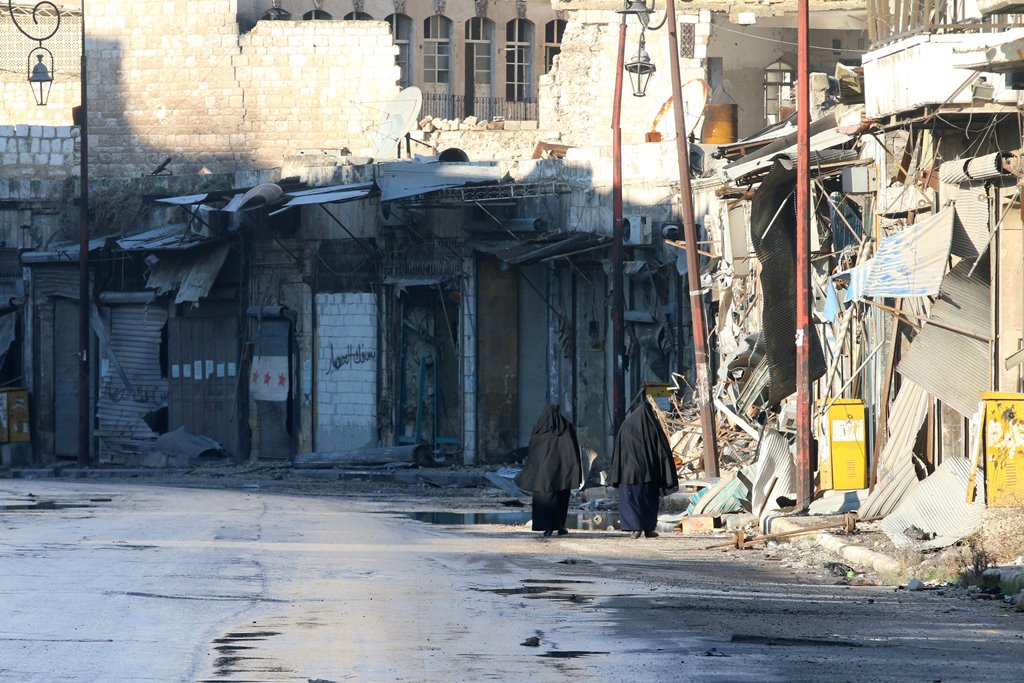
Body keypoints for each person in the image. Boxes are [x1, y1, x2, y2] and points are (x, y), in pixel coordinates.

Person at [609, 401, 679, 539]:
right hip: (649, 474)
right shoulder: (653, 427)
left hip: (628, 473)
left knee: (631, 501)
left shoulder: (626, 426)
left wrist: (616, 471)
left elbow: (618, 451)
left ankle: (636, 529)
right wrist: (664, 471)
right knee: (648, 502)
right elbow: (662, 450)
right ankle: (648, 529)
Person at [515, 405, 584, 537]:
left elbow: (533, 452)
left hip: (543, 475)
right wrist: (571, 470)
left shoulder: (539, 430)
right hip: (561, 473)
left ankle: (547, 527)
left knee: (545, 500)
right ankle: (560, 526)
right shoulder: (566, 428)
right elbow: (572, 451)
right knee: (561, 500)